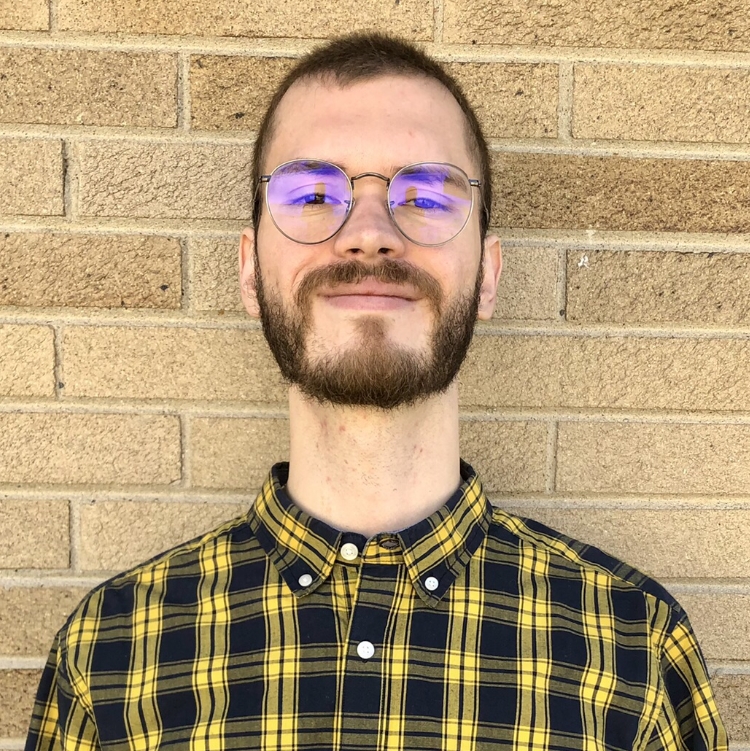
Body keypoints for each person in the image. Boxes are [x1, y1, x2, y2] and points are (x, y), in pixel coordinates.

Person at [26, 32, 727, 751]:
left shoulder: (633, 652)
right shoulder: (111, 657)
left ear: (487, 275)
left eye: (424, 195)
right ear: (249, 270)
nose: (368, 233)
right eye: (312, 193)